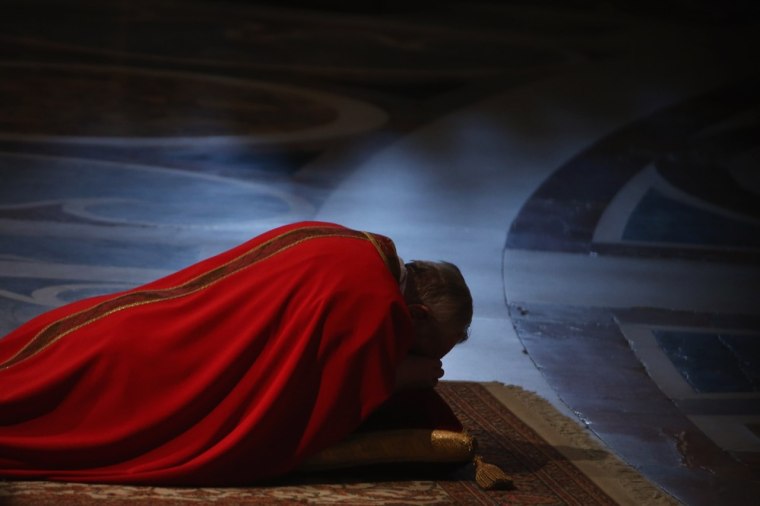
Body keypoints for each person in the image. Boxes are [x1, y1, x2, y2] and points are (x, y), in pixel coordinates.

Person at [0, 221, 472, 486]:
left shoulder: (352, 244)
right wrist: (398, 377)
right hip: (155, 366)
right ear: (420, 314)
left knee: (30, 368)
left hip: (134, 325)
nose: (423, 357)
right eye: (423, 346)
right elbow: (306, 402)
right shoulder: (371, 304)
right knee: (41, 413)